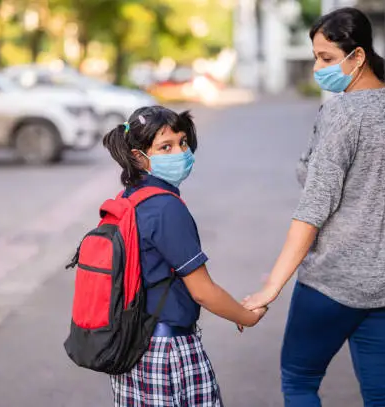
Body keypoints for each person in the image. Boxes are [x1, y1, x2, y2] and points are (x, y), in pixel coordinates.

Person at [243, 7, 385, 407]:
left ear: (357, 56)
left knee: (300, 380)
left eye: (326, 58)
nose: (317, 67)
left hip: (332, 283)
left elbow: (312, 211)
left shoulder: (343, 113)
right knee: (381, 392)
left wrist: (271, 287)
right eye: (315, 57)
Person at [103, 105, 267, 407]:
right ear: (140, 157)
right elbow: (203, 291)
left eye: (181, 142)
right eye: (165, 147)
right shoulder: (166, 208)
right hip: (169, 352)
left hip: (133, 348)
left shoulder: (129, 198)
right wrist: (247, 316)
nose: (180, 152)